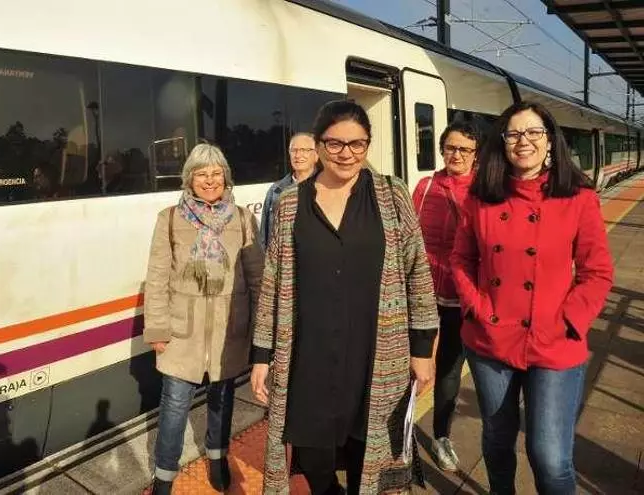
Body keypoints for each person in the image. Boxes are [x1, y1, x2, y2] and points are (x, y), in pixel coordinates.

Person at [249, 100, 438, 494]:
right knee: (313, 458)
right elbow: (272, 284)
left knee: (369, 456)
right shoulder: (290, 203)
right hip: (308, 358)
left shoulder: (392, 195)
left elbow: (418, 272)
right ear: (318, 145)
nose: (346, 153)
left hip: (377, 354)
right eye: (335, 143)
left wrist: (423, 350)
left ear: (367, 144)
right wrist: (261, 356)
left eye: (357, 144)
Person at [451, 101, 614, 495]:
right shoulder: (481, 196)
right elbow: (461, 259)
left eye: (534, 132)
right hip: (490, 339)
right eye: (513, 134)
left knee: (550, 458)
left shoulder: (578, 197)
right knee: (497, 440)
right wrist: (477, 307)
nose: (523, 141)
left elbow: (597, 272)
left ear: (550, 140)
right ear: (502, 142)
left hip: (554, 341)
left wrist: (569, 321)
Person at [143, 143, 264, 494]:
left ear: (225, 177)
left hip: (229, 328)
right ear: (189, 179)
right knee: (174, 405)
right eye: (201, 174)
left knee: (223, 398)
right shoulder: (169, 218)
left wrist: (260, 331)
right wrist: (157, 329)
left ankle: (217, 457)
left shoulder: (242, 218)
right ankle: (164, 476)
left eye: (216, 173)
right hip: (183, 331)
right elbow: (157, 277)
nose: (210, 180)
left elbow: (256, 276)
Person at [411, 119, 481, 472]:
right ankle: (400, 432)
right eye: (451, 147)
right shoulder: (424, 188)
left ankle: (441, 435)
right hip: (421, 296)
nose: (457, 155)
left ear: (475, 154)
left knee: (450, 369)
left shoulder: (483, 192)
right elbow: (408, 237)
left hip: (459, 298)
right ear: (441, 150)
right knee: (409, 365)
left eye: (465, 149)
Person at [259, 132, 318, 249]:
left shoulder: (327, 188)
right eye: (294, 150)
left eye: (304, 150)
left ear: (317, 155)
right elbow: (264, 238)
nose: (298, 155)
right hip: (283, 258)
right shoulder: (276, 191)